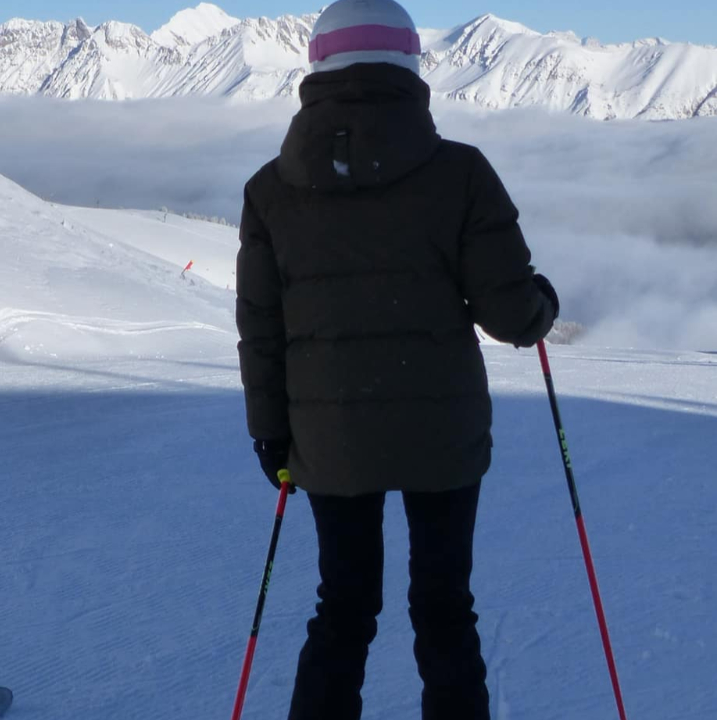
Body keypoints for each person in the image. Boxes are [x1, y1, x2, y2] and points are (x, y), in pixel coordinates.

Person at [235, 1, 560, 719]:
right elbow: (512, 316)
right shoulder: (463, 174)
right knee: (444, 606)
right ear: (411, 66)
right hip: (441, 436)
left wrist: (272, 436)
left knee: (342, 607)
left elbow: (262, 333)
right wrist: (542, 303)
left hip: (328, 439)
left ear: (317, 67)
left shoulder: (269, 191)